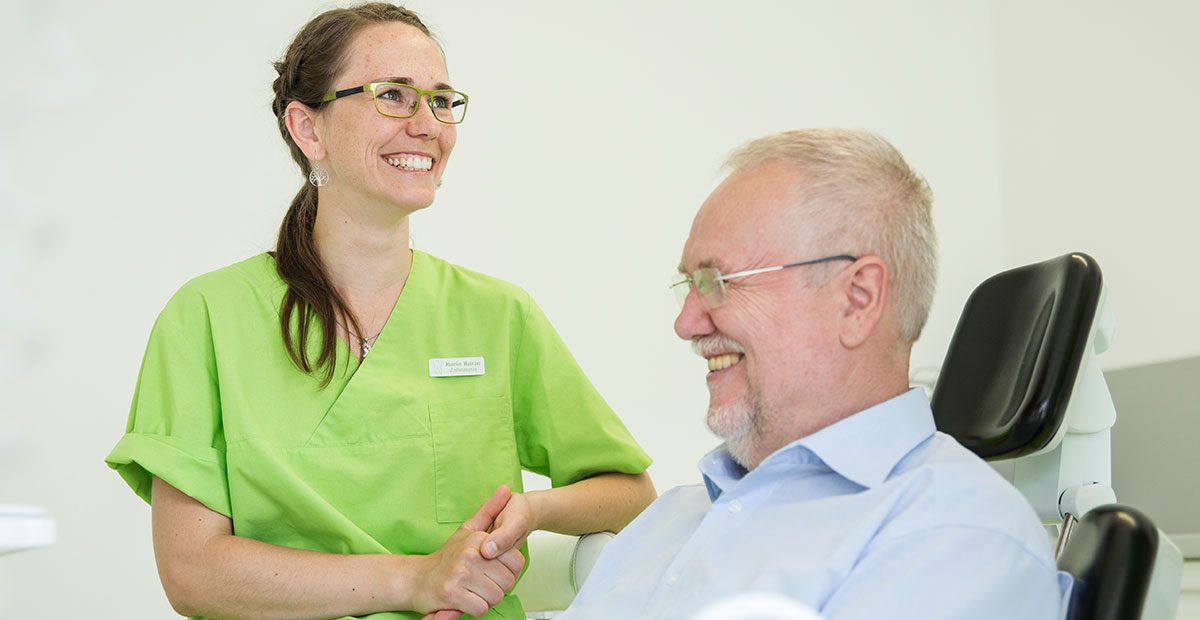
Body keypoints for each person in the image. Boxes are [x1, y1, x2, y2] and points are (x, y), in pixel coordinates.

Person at [104, 4, 655, 619]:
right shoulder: (204, 318)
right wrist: (416, 580)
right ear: (308, 129)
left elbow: (631, 494)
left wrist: (532, 510)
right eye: (394, 95)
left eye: (442, 101)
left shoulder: (498, 316)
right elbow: (192, 573)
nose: (429, 124)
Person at [559, 129, 1067, 619]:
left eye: (716, 281)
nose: (685, 323)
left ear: (856, 300)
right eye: (687, 285)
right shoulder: (669, 520)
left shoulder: (956, 535)